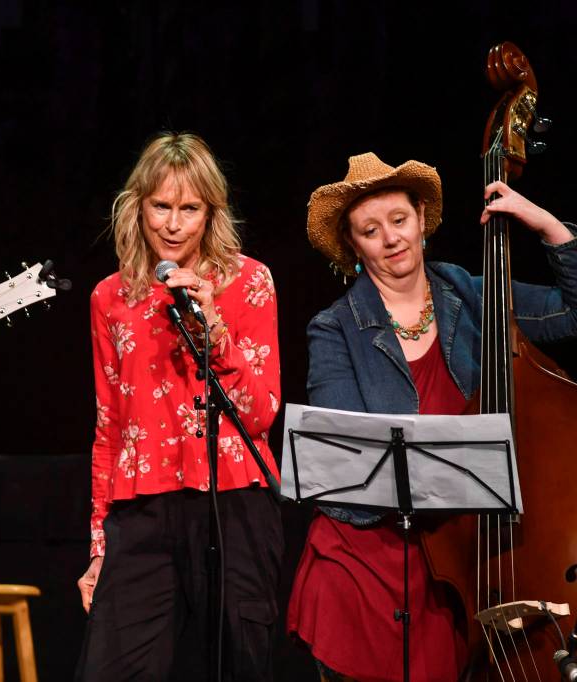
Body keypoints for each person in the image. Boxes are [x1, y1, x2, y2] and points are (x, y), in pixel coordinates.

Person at [285, 152, 577, 681]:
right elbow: (344, 477)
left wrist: (545, 223)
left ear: (421, 217)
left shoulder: (470, 292)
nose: (391, 238)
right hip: (367, 570)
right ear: (354, 245)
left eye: (399, 220)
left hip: (459, 565)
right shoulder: (333, 329)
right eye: (370, 230)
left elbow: (572, 312)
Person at [74, 132, 283, 681]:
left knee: (237, 667)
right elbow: (109, 428)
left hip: (233, 502)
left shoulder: (250, 281)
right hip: (142, 509)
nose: (172, 223)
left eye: (189, 209)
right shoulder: (109, 297)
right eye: (160, 206)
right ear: (138, 206)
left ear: (211, 213)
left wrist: (214, 329)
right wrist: (99, 546)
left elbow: (261, 415)